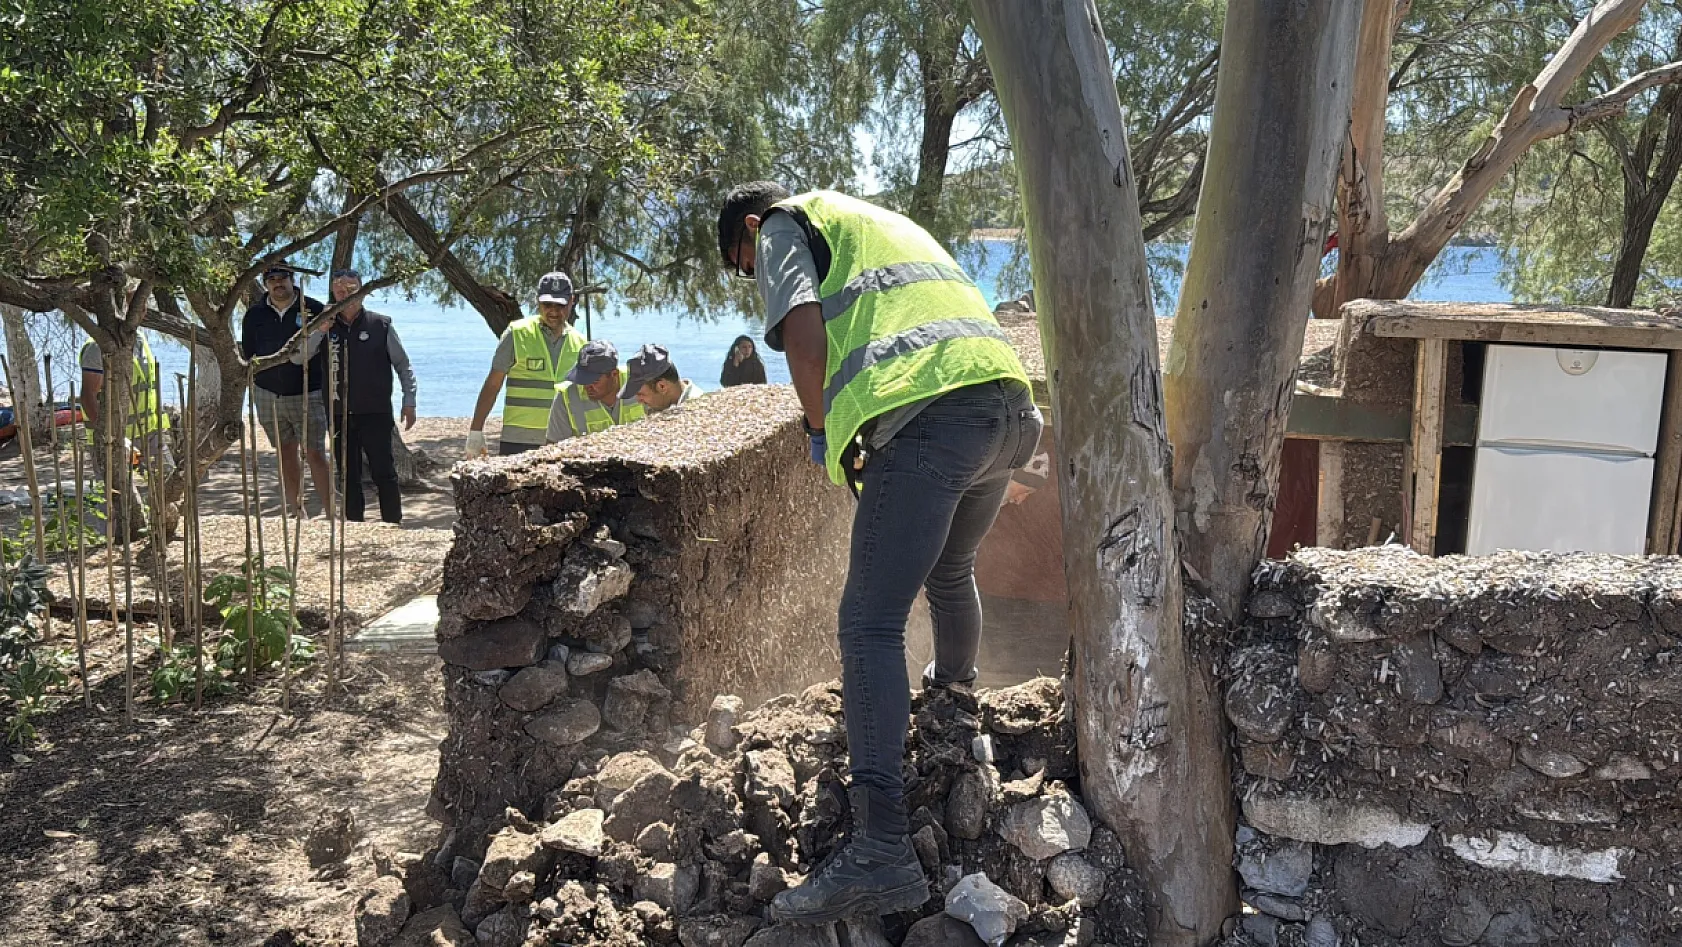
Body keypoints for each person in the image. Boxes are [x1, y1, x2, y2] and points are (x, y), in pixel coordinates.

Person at [717, 182, 1041, 924]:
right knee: (950, 570)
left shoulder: (783, 223)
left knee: (867, 623)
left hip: (935, 416)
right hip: (1009, 412)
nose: (751, 274)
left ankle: (881, 852)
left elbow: (804, 330)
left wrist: (821, 430)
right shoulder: (870, 220)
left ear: (747, 228)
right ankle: (955, 706)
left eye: (742, 263)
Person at [305, 269, 417, 524]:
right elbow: (299, 357)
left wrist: (409, 400)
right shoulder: (324, 325)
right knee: (347, 474)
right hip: (338, 413)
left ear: (363, 292)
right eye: (340, 291)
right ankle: (355, 525)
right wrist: (320, 330)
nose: (346, 295)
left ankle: (392, 522)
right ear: (334, 293)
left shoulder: (381, 324)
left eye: (352, 290)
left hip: (375, 412)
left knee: (383, 472)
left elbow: (403, 365)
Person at [241, 264, 334, 517]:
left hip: (308, 392)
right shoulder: (254, 315)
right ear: (265, 283)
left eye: (283, 278)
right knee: (284, 451)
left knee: (315, 453)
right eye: (272, 279)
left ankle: (330, 512)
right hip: (267, 393)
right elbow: (248, 356)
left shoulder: (313, 310)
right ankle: (296, 510)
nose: (278, 283)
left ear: (293, 280)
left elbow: (327, 352)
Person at [468, 272, 587, 457]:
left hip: (564, 440)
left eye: (560, 305)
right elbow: (493, 384)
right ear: (538, 301)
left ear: (572, 301)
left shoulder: (581, 343)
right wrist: (476, 431)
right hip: (518, 440)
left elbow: (586, 394)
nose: (553, 311)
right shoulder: (516, 333)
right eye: (547, 304)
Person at [79, 332, 170, 532]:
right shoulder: (97, 346)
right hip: (113, 438)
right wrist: (114, 436)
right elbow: (87, 396)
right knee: (117, 502)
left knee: (170, 485)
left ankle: (160, 534)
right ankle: (112, 546)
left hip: (150, 433)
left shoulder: (140, 338)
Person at [546, 341, 646, 443]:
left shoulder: (640, 383)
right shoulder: (566, 397)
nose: (586, 386)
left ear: (614, 374)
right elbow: (553, 446)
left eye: (594, 381)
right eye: (582, 379)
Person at [621, 344, 699, 414]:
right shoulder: (657, 406)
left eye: (641, 394)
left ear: (662, 386)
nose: (639, 401)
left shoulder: (697, 411)